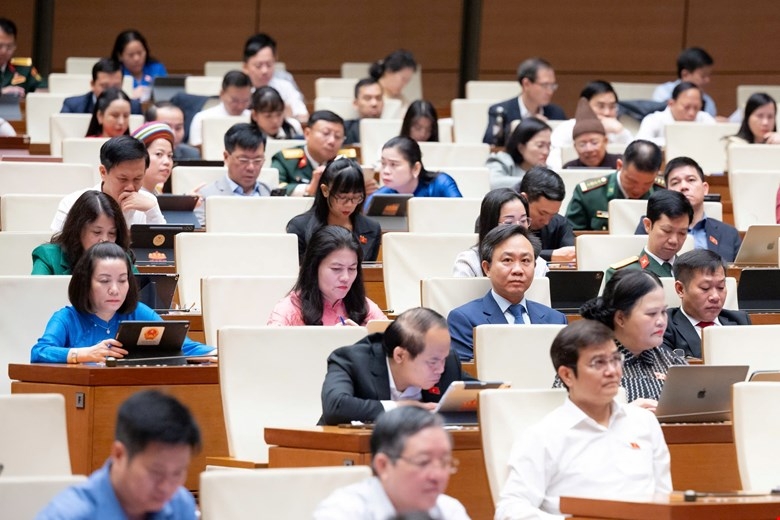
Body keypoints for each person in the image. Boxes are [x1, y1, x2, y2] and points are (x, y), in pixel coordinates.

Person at [494, 320, 672, 519]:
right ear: (567, 375)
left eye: (615, 360)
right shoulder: (543, 436)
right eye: (598, 363)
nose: (612, 371)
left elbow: (665, 499)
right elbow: (509, 510)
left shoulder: (644, 423)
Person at [31, 242, 215, 363]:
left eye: (122, 280)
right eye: (104, 281)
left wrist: (219, 353)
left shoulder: (139, 312)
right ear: (85, 283)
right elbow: (39, 352)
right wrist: (84, 354)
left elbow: (184, 346)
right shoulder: (66, 318)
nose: (115, 289)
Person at [36, 390, 201, 519]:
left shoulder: (180, 506)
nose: (166, 487)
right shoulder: (68, 515)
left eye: (177, 473)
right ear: (119, 454)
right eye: (156, 472)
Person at [320, 307, 472, 425]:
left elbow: (482, 395)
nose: (441, 369)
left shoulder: (448, 363)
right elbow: (335, 407)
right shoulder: (352, 361)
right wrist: (402, 408)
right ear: (399, 355)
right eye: (433, 362)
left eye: (444, 359)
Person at [313, 406, 470, 520]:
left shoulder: (449, 510)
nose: (437, 476)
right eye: (423, 462)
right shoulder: (343, 512)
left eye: (444, 462)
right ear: (383, 465)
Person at [448, 224, 566, 361]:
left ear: (534, 267)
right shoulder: (464, 319)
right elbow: (468, 371)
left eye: (525, 261)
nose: (518, 270)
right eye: (507, 260)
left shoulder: (556, 320)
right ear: (487, 268)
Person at [568, 269, 686, 405]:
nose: (661, 321)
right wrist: (625, 413)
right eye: (652, 313)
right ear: (621, 318)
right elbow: (564, 413)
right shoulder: (585, 364)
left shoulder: (673, 363)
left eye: (663, 311)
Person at [268, 226, 386, 326]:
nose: (345, 277)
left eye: (352, 269)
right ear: (314, 268)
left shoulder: (366, 309)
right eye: (336, 269)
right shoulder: (288, 311)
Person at [635, 156, 741, 262]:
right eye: (675, 182)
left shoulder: (729, 233)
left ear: (705, 188)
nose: (684, 186)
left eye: (691, 180)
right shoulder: (651, 224)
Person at [52, 136, 165, 232]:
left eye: (137, 179)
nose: (130, 187)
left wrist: (153, 211)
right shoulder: (72, 203)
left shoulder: (149, 203)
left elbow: (163, 247)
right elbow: (58, 247)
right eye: (123, 179)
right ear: (103, 172)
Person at [286, 156, 381, 262]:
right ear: (325, 190)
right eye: (342, 197)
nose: (349, 205)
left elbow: (370, 270)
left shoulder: (372, 228)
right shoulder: (300, 227)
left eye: (356, 197)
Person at [662, 249, 750, 359]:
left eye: (721, 287)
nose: (715, 297)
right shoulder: (664, 326)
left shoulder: (740, 321)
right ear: (680, 289)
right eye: (705, 288)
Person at [565, 139, 665, 231]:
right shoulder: (589, 195)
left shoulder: (664, 192)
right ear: (619, 165)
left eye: (647, 183)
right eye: (632, 181)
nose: (638, 190)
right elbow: (572, 234)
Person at [32, 190, 136, 275]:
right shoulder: (48, 257)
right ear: (78, 230)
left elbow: (139, 291)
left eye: (112, 233)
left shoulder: (122, 258)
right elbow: (35, 292)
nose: (105, 240)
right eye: (97, 232)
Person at [452, 188, 548, 278]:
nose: (518, 228)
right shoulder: (469, 263)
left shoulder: (539, 265)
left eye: (523, 221)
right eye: (509, 223)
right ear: (490, 225)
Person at [606, 189, 693, 283]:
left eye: (682, 233)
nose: (674, 240)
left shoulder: (693, 272)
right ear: (648, 225)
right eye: (667, 231)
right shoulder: (622, 275)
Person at [194, 122, 271, 226]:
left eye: (257, 160)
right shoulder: (205, 197)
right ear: (226, 157)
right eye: (243, 160)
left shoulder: (272, 194)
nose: (251, 167)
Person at [482, 57, 566, 145]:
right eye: (545, 85)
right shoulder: (501, 111)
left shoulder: (556, 113)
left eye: (552, 86)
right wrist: (523, 125)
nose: (550, 92)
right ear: (526, 84)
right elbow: (490, 142)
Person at [366, 136, 462, 207]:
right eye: (383, 164)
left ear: (416, 168)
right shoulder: (378, 197)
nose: (385, 171)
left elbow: (462, 214)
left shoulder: (441, 183)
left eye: (393, 164)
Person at [271, 110, 350, 196]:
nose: (332, 141)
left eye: (337, 136)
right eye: (326, 133)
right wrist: (308, 189)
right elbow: (275, 187)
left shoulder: (346, 161)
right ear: (307, 134)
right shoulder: (285, 159)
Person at [242, 33, 308, 122]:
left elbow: (304, 116)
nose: (265, 71)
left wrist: (289, 116)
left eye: (269, 65)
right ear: (245, 67)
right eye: (258, 66)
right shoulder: (238, 89)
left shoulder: (285, 87)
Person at [550, 80, 633, 151]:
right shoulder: (566, 129)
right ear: (584, 106)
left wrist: (620, 132)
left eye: (612, 107)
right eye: (601, 106)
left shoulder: (619, 131)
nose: (607, 113)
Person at [518, 166, 576, 263]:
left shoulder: (559, 223)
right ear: (524, 199)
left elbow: (571, 253)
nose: (546, 221)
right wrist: (551, 255)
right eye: (542, 213)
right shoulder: (504, 221)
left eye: (553, 214)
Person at [636, 82, 715, 146]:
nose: (692, 113)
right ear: (671, 103)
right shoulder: (654, 119)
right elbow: (639, 144)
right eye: (686, 107)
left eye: (696, 108)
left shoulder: (705, 118)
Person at [188, 70, 252, 147]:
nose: (240, 106)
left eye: (245, 101)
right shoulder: (202, 118)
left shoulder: (254, 118)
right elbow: (196, 149)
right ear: (222, 94)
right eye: (235, 101)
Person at [485, 117, 551, 190]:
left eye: (549, 146)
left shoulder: (547, 170)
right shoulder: (501, 160)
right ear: (521, 147)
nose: (546, 152)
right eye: (540, 145)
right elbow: (493, 183)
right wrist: (536, 182)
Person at [61, 58, 142, 115]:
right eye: (105, 86)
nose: (111, 91)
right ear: (92, 84)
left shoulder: (134, 107)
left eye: (116, 86)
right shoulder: (73, 107)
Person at [652, 47, 718, 117]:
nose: (707, 80)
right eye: (703, 76)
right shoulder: (664, 92)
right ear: (685, 74)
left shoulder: (707, 101)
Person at [562, 98, 621, 169]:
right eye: (582, 145)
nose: (589, 149)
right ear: (575, 147)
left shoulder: (620, 163)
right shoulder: (569, 168)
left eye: (594, 143)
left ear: (605, 141)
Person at [111, 29, 167, 102]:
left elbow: (165, 95)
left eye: (140, 53)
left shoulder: (157, 68)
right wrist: (130, 95)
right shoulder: (114, 73)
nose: (136, 59)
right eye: (131, 55)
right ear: (120, 56)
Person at [0, 17, 42, 96]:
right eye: (0, 46)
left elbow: (43, 90)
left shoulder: (23, 68)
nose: (4, 51)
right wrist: (2, 92)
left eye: (9, 47)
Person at [132, 121, 175, 195]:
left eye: (169, 156)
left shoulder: (157, 194)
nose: (167, 162)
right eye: (159, 154)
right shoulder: (130, 197)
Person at [343, 78, 384, 144]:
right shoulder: (344, 129)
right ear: (356, 103)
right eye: (367, 98)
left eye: (378, 98)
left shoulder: (395, 129)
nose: (374, 103)